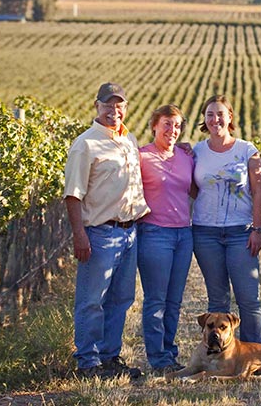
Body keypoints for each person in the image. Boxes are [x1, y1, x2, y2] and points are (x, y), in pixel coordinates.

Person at [63, 82, 150, 380]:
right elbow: (72, 195)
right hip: (100, 233)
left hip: (129, 233)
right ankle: (87, 362)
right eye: (108, 105)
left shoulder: (129, 140)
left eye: (119, 105)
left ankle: (110, 357)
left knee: (121, 299)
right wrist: (80, 234)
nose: (114, 110)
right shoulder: (85, 144)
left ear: (126, 107)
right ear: (96, 106)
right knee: (92, 300)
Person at [191, 95, 261, 344]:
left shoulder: (247, 150)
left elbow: (259, 193)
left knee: (248, 298)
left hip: (240, 233)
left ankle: (254, 351)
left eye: (220, 114)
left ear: (230, 117)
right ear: (204, 119)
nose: (215, 119)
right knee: (217, 300)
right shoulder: (197, 151)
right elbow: (192, 189)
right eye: (210, 114)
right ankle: (221, 353)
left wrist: (257, 229)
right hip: (205, 233)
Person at [137, 104, 194, 375]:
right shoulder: (141, 157)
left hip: (184, 234)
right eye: (167, 124)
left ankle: (170, 353)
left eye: (177, 125)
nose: (173, 130)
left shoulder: (185, 156)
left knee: (174, 301)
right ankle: (158, 359)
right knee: (156, 300)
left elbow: (194, 189)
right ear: (155, 126)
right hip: (155, 233)